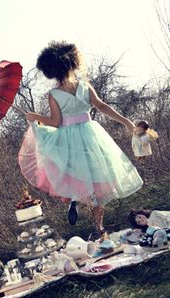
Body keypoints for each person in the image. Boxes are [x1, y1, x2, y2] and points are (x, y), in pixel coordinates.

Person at [18, 41, 143, 238]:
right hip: (90, 134)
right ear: (72, 64)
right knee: (97, 177)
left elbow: (56, 122)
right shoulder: (84, 87)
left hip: (68, 138)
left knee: (71, 171)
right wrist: (126, 122)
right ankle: (99, 226)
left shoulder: (54, 94)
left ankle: (74, 199)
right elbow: (102, 106)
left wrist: (35, 117)